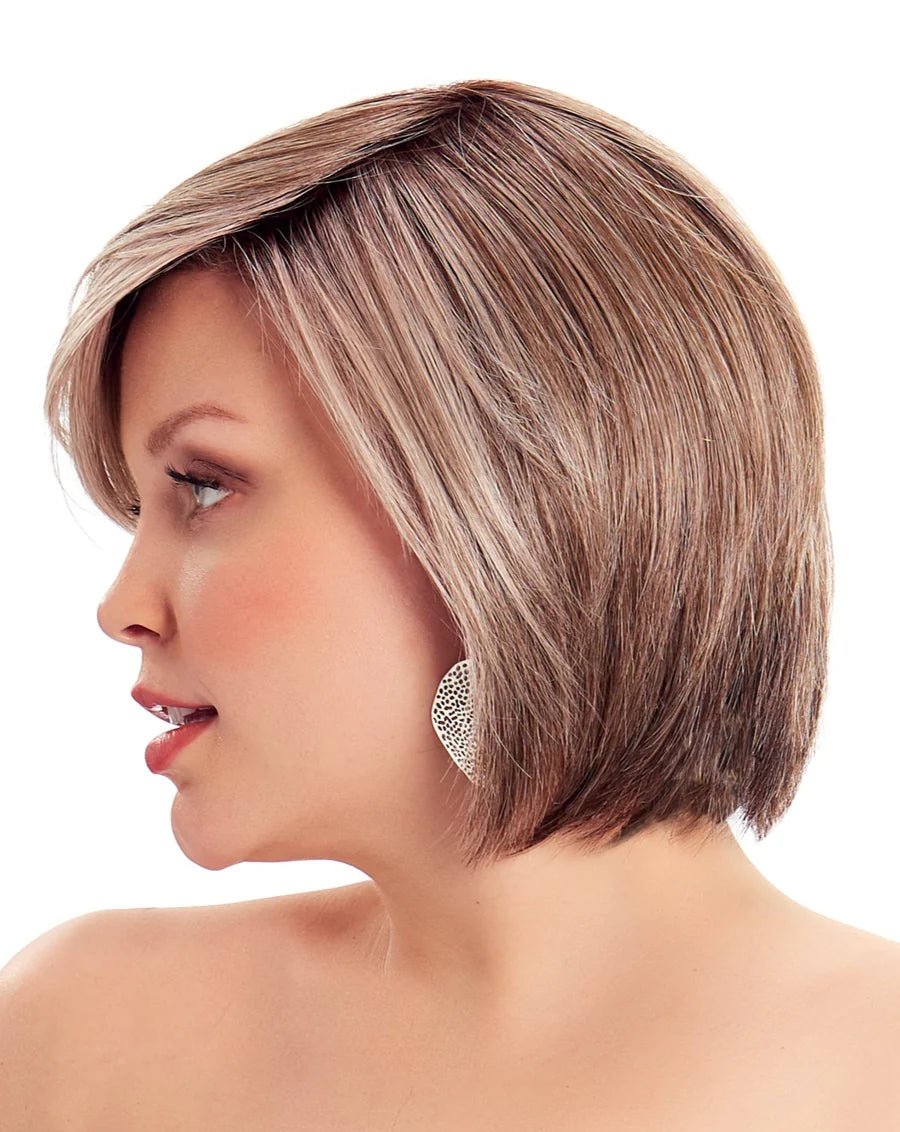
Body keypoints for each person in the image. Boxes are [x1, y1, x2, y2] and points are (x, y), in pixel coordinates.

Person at [3, 78, 898, 1129]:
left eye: (203, 487)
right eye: (137, 508)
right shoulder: (80, 1037)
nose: (122, 606)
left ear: (514, 503)